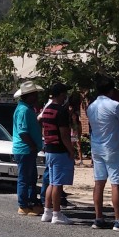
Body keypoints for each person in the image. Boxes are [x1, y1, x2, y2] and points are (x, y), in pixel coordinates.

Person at [86, 76, 119, 230]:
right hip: (112, 147)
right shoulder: (115, 105)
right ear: (111, 90)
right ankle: (118, 220)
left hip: (96, 147)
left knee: (99, 183)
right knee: (116, 184)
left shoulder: (91, 106)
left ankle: (98, 217)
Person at [39, 83, 74, 225]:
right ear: (60, 94)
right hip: (59, 150)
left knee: (52, 182)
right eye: (64, 94)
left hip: (49, 148)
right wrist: (71, 150)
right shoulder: (61, 111)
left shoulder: (46, 110)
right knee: (58, 184)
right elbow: (64, 134)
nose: (66, 96)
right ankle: (56, 213)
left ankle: (47, 211)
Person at [12, 81, 44, 216]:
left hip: (28, 149)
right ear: (29, 95)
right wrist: (32, 145)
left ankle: (31, 202)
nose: (37, 97)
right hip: (25, 149)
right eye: (35, 94)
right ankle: (23, 204)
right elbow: (23, 132)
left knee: (31, 178)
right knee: (25, 178)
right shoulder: (23, 110)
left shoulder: (27, 109)